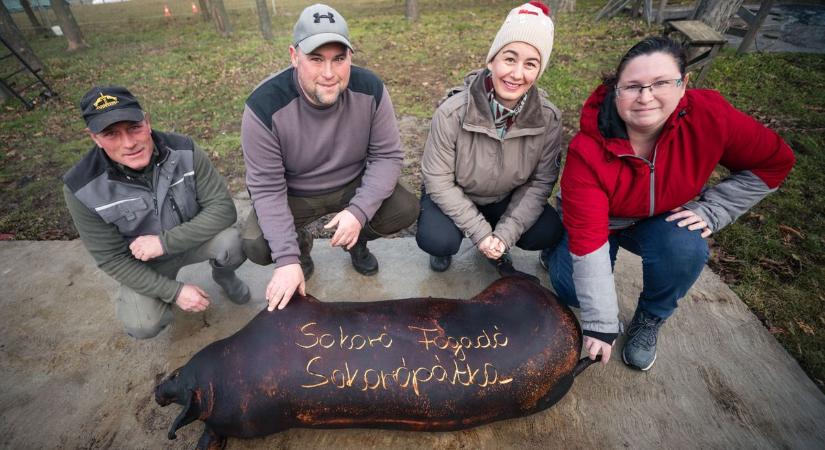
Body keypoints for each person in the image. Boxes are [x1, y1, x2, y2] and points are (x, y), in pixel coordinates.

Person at [545, 36, 795, 371]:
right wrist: (601, 324)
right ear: (616, 90)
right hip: (599, 225)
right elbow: (589, 243)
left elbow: (774, 161)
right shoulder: (588, 151)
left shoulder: (710, 117)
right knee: (572, 291)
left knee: (686, 246)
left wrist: (713, 209)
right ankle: (556, 252)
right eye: (633, 86)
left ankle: (650, 317)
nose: (646, 97)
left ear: (683, 84)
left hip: (660, 218)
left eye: (661, 83)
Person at [241, 3, 419, 312]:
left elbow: (387, 156)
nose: (328, 73)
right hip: (296, 194)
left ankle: (356, 240)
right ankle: (301, 249)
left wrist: (359, 212)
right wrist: (286, 259)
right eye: (315, 59)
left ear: (351, 56)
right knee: (256, 243)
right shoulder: (263, 106)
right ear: (294, 56)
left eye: (339, 59)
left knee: (405, 208)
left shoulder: (371, 89)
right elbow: (267, 188)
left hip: (351, 183)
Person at [63, 85, 250, 339]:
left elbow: (224, 210)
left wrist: (164, 242)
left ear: (147, 122)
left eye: (134, 128)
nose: (129, 143)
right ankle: (165, 304)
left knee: (238, 241)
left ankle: (224, 275)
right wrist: (175, 292)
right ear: (94, 138)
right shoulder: (81, 188)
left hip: (193, 240)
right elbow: (112, 260)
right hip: (147, 265)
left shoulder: (184, 149)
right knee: (142, 324)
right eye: (111, 134)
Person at [416, 1, 564, 273]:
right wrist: (481, 233)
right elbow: (437, 180)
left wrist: (504, 235)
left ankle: (497, 240)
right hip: (456, 193)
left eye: (530, 64)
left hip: (504, 197)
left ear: (539, 71)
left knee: (548, 230)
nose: (517, 74)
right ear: (491, 60)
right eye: (509, 59)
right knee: (437, 238)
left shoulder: (549, 119)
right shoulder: (451, 113)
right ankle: (455, 242)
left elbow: (540, 182)